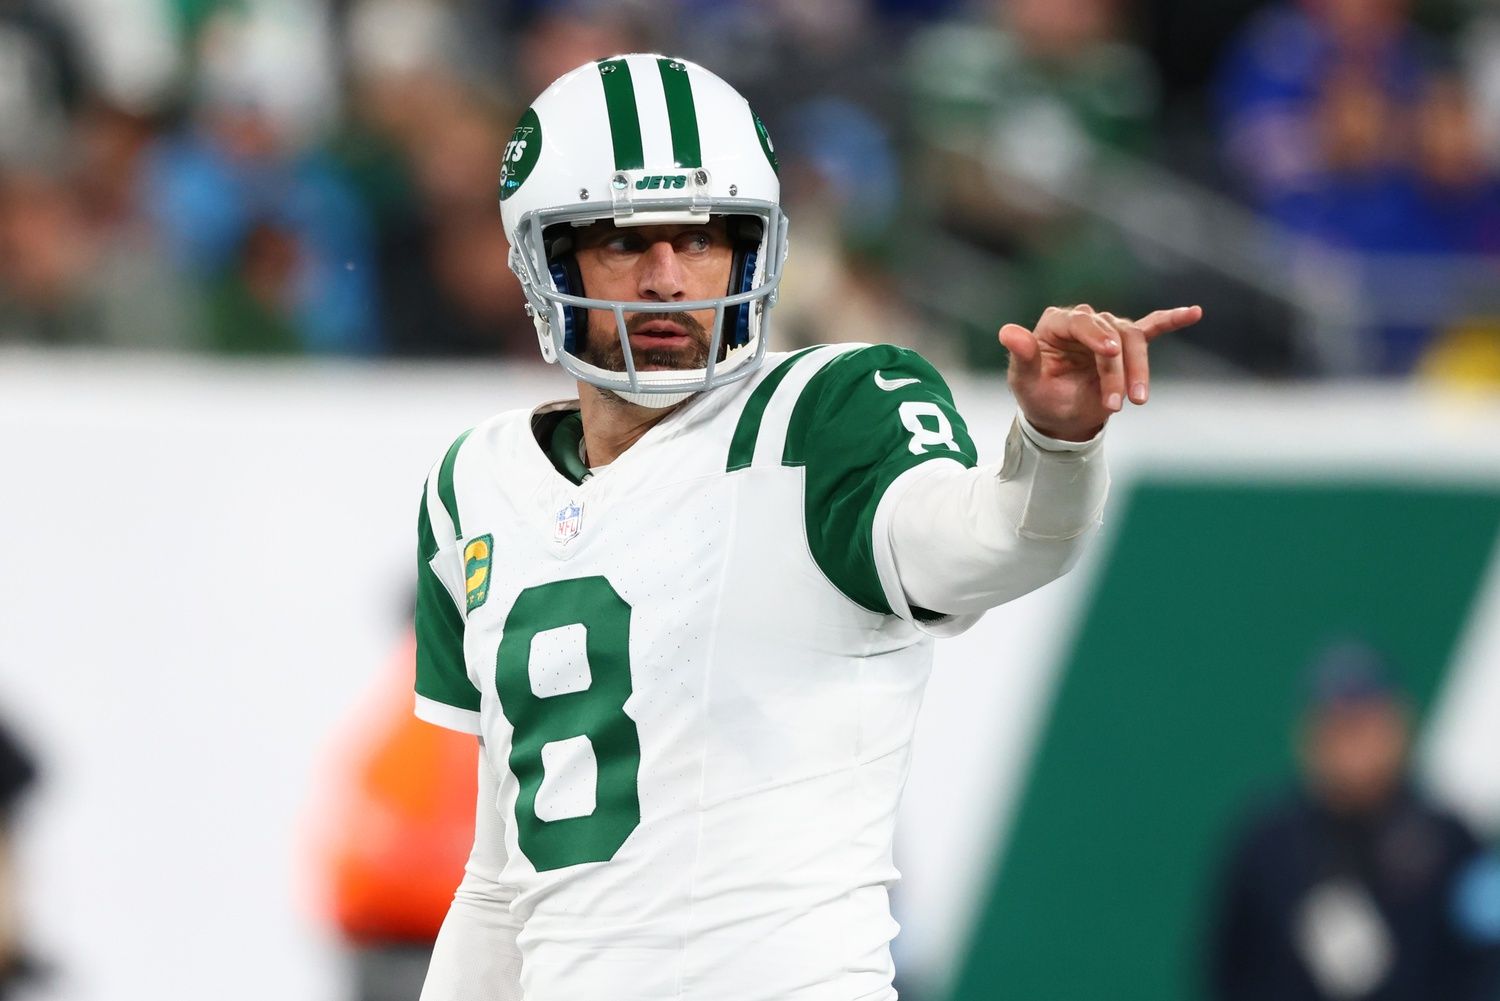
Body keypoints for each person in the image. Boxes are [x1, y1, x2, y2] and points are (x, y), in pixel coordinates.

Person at [412, 54, 1201, 1001]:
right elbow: (501, 885)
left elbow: (988, 538)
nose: (669, 280)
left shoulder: (823, 413)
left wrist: (1054, 444)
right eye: (626, 241)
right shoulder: (476, 483)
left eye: (702, 238)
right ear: (547, 257)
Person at [1206, 641, 1500, 1001]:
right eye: (1339, 727)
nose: (1354, 746)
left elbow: (1486, 965)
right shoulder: (1267, 845)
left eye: (1366, 724)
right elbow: (1226, 970)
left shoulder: (1451, 843)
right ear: (1308, 735)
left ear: (1399, 726)